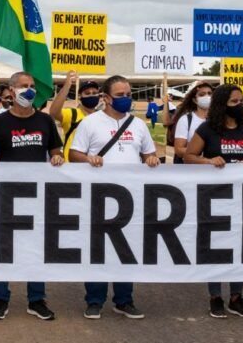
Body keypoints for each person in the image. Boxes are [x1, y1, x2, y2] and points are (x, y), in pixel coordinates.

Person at [70, 75, 158, 321]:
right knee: (97, 250)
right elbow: (75, 153)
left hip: (131, 198)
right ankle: (95, 300)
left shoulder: (138, 124)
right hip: (98, 196)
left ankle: (124, 300)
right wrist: (88, 159)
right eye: (120, 95)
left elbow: (149, 153)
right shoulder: (90, 123)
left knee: (125, 250)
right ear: (105, 98)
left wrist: (151, 159)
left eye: (128, 94)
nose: (126, 99)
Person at [0, 71, 65, 321]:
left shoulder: (45, 121)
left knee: (36, 248)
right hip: (5, 193)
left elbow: (55, 149)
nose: (29, 90)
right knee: (4, 248)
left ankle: (36, 299)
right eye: (23, 86)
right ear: (11, 91)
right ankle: (0, 297)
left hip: (38, 194)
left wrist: (57, 157)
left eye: (32, 86)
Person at [185, 84, 243, 320]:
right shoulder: (207, 130)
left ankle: (237, 297)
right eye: (233, 102)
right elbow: (188, 156)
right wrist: (208, 162)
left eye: (241, 101)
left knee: (241, 248)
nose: (239, 105)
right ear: (221, 105)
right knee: (216, 249)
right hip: (214, 199)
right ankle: (216, 297)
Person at [48, 71, 100, 158]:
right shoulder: (72, 114)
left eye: (94, 93)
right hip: (72, 166)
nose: (91, 95)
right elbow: (54, 112)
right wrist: (67, 86)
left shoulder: (102, 117)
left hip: (96, 166)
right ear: (80, 97)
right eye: (87, 93)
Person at [169, 82, 213, 164]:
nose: (207, 96)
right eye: (202, 94)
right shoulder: (185, 120)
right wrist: (202, 154)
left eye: (209, 93)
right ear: (194, 100)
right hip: (191, 170)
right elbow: (179, 149)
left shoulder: (218, 120)